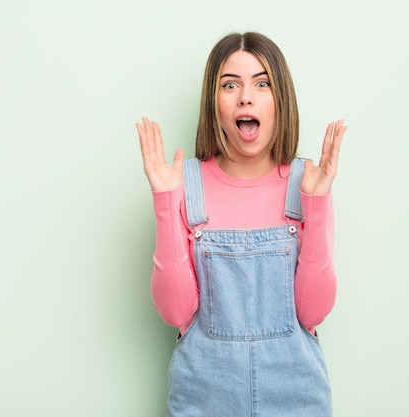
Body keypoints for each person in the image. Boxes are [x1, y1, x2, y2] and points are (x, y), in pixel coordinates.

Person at [135, 31, 346, 417]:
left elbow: (312, 313)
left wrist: (317, 203)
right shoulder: (186, 182)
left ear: (280, 100)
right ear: (213, 104)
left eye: (262, 83)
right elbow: (176, 314)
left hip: (295, 399)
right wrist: (166, 201)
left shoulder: (306, 183)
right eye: (230, 84)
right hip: (203, 400)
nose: (245, 96)